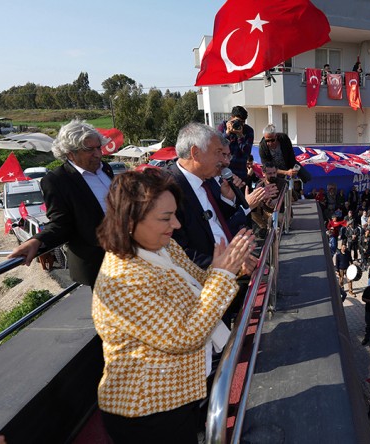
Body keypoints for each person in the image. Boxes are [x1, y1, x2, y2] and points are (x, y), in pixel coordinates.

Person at [92, 170, 255, 442]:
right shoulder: (124, 279)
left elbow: (199, 283)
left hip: (179, 391)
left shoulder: (163, 248)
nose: (176, 225)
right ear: (130, 221)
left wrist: (228, 267)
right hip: (147, 408)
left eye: (175, 215)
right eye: (166, 218)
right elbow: (185, 336)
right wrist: (223, 275)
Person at [9, 119, 114, 287]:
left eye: (98, 148)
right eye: (89, 149)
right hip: (100, 265)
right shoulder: (56, 181)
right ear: (70, 153)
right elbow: (61, 223)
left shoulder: (105, 168)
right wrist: (36, 241)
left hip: (127, 255)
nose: (98, 154)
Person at [168, 123, 275, 269]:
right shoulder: (167, 189)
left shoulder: (210, 179)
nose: (225, 161)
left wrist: (228, 199)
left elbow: (218, 222)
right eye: (218, 152)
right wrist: (226, 266)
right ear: (195, 153)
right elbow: (178, 252)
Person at [218, 105, 254, 181]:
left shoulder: (248, 130)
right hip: (224, 171)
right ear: (231, 118)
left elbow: (247, 153)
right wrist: (227, 133)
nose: (239, 124)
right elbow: (218, 147)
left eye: (242, 122)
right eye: (236, 121)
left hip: (240, 173)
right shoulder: (223, 126)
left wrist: (240, 135)